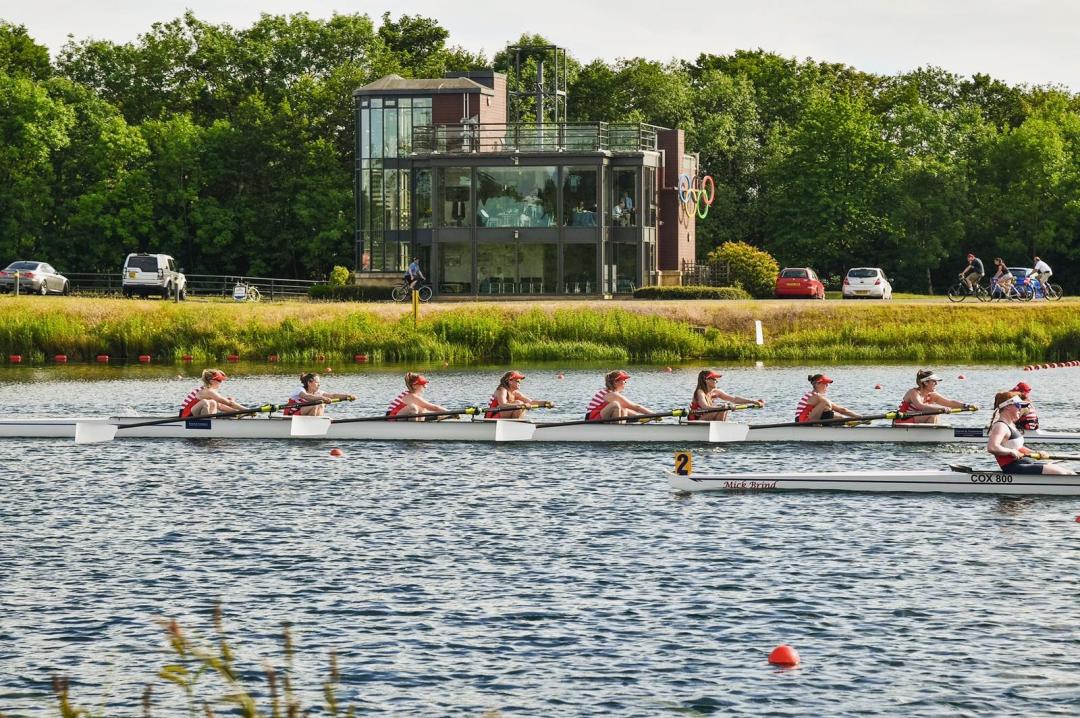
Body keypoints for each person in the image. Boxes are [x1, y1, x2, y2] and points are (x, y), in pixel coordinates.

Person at [986, 392, 1073, 475]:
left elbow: (1018, 448)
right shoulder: (1000, 426)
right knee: (1063, 473)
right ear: (1008, 406)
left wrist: (1036, 452)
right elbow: (992, 447)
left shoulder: (1011, 425)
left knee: (1069, 472)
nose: (1020, 409)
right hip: (1014, 468)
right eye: (1018, 405)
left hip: (1024, 462)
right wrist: (1011, 451)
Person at [893, 370, 975, 424]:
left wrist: (967, 406)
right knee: (934, 414)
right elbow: (920, 406)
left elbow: (949, 403)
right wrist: (940, 409)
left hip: (915, 422)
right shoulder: (913, 392)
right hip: (902, 421)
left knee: (934, 415)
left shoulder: (932, 395)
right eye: (934, 381)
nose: (936, 384)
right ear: (925, 383)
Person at [690, 370, 765, 421]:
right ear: (706, 380)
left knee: (724, 407)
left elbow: (735, 399)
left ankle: (720, 428)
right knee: (724, 407)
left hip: (706, 418)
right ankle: (720, 429)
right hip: (696, 420)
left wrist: (753, 401)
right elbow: (705, 407)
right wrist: (723, 407)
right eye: (714, 379)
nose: (717, 381)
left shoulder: (716, 392)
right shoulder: (700, 392)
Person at [585, 370, 652, 421]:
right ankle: (617, 430)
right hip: (591, 419)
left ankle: (620, 428)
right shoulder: (611, 394)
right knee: (615, 404)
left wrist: (640, 418)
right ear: (615, 382)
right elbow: (636, 407)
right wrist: (653, 414)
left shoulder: (611, 392)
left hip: (600, 416)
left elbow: (632, 411)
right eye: (623, 380)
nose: (625, 382)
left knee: (625, 408)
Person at [484, 370, 553, 419]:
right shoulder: (502, 390)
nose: (519, 383)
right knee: (519, 403)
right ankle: (516, 427)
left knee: (522, 405)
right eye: (517, 381)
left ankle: (516, 426)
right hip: (491, 418)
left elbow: (531, 402)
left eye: (520, 381)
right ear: (510, 381)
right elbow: (502, 405)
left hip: (501, 416)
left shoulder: (515, 393)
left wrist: (546, 403)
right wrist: (520, 405)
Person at [794, 374, 862, 423]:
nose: (827, 386)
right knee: (825, 404)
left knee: (841, 418)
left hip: (803, 419)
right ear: (817, 384)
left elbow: (842, 410)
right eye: (825, 384)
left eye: (827, 384)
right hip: (803, 421)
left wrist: (858, 417)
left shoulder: (813, 395)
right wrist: (860, 417)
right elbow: (841, 410)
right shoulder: (817, 397)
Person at [179, 369, 248, 418]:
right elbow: (229, 403)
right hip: (185, 416)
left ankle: (210, 423)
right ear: (212, 381)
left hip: (193, 412)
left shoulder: (209, 390)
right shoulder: (208, 391)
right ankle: (206, 424)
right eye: (219, 380)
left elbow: (220, 406)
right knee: (205, 402)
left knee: (213, 403)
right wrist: (247, 410)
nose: (221, 382)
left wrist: (237, 412)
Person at [282, 372, 356, 416]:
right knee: (315, 405)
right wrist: (322, 398)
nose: (319, 384)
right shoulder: (299, 390)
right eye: (317, 382)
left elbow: (333, 395)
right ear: (309, 383)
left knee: (321, 404)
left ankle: (317, 424)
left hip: (303, 417)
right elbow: (307, 397)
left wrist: (348, 396)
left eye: (319, 383)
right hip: (290, 416)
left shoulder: (319, 392)